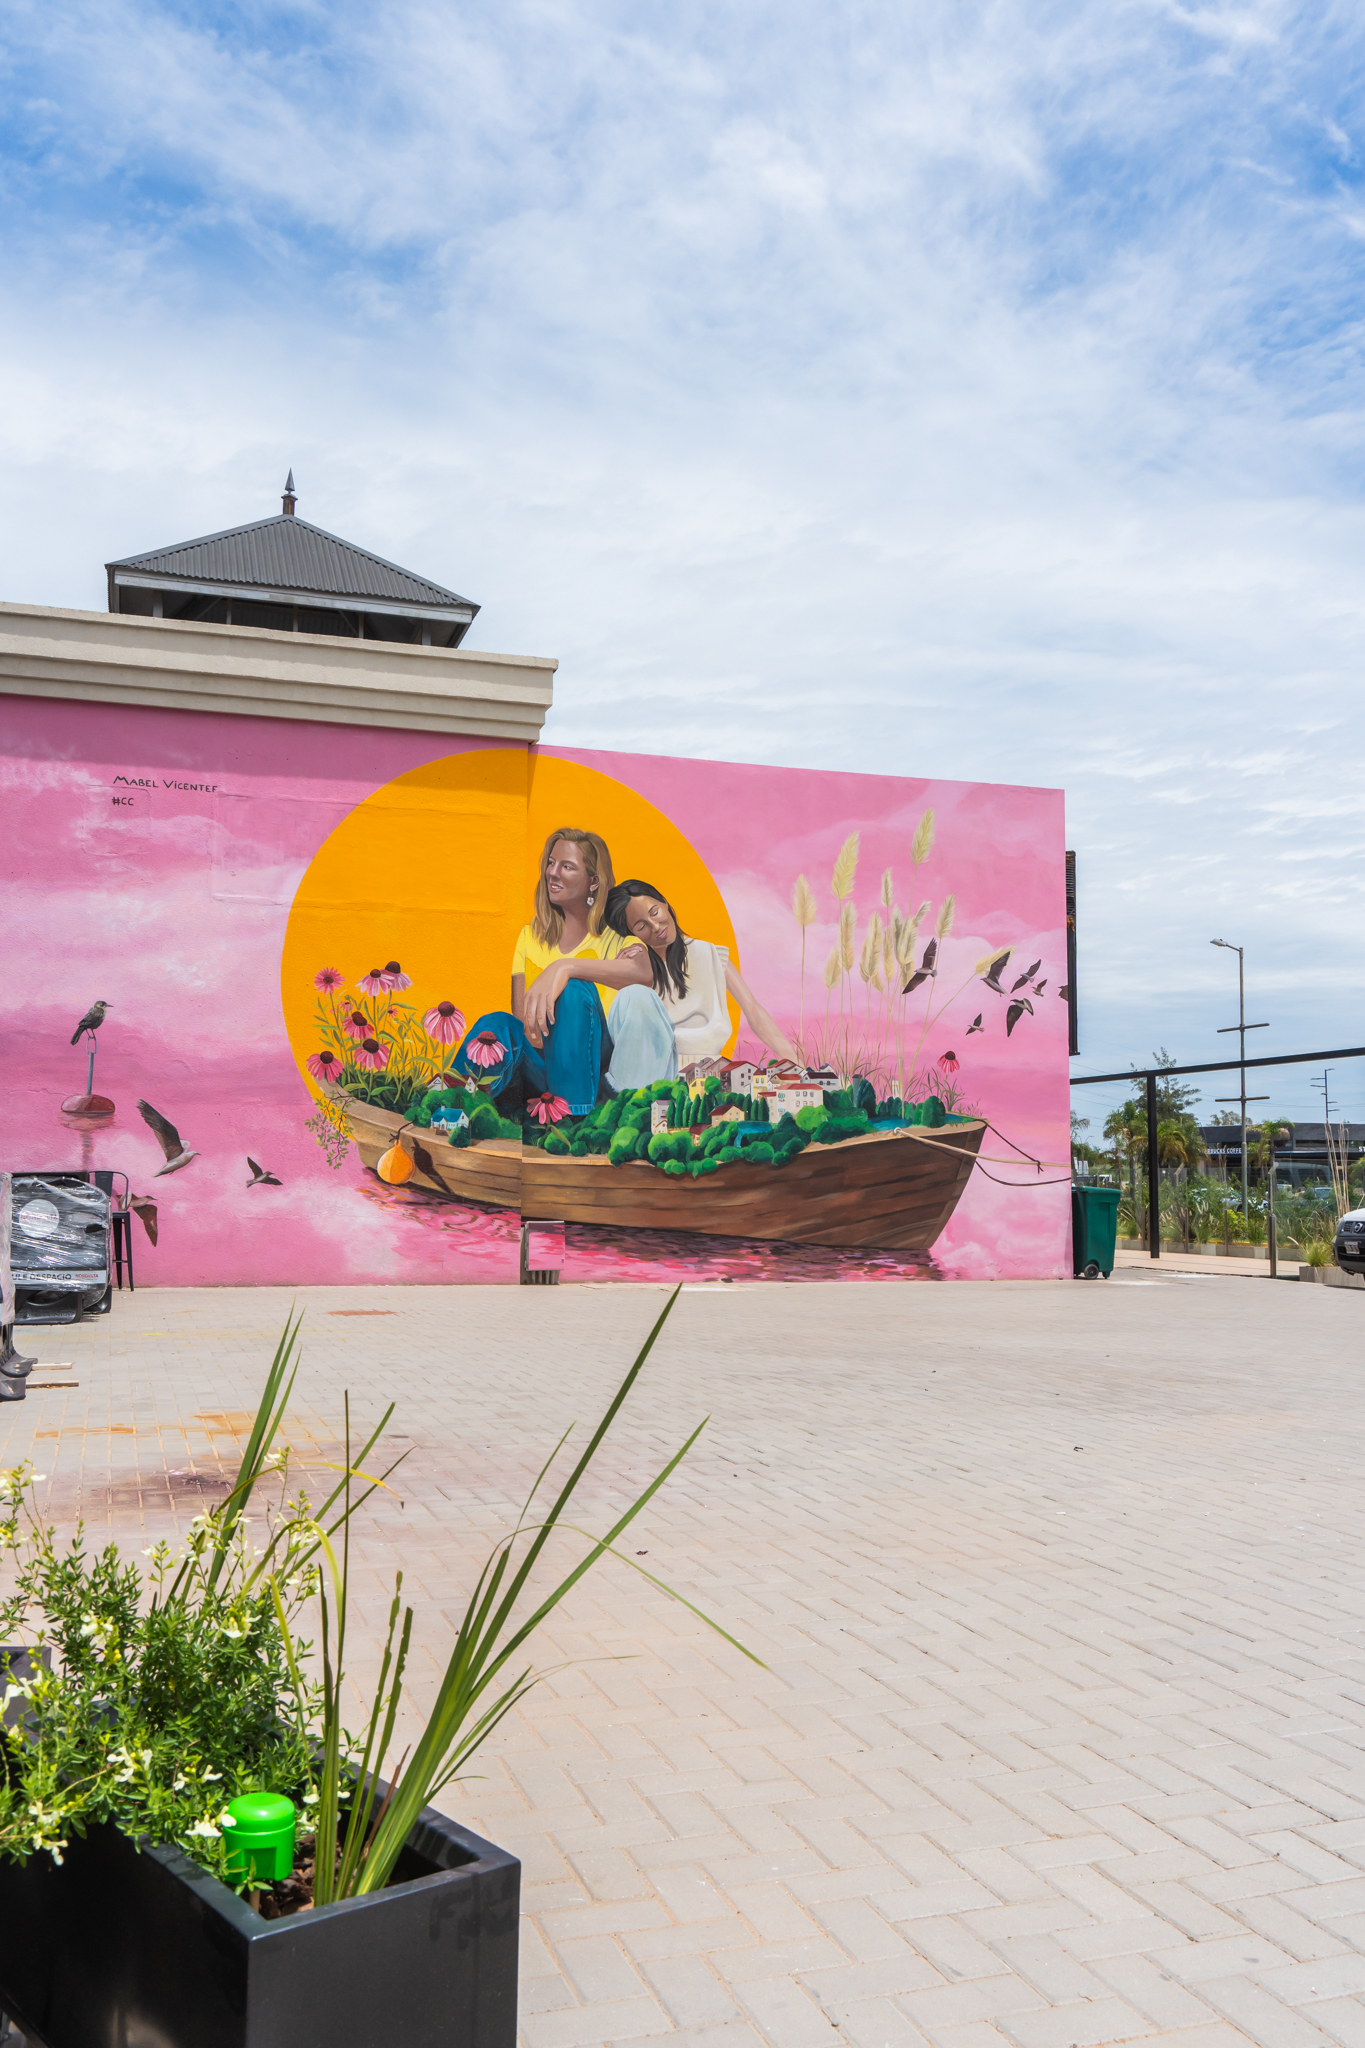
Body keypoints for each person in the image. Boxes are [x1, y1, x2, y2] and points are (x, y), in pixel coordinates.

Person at [452, 828, 652, 1117]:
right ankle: (450, 1104)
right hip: (540, 1071)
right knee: (495, 1023)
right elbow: (525, 1025)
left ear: (594, 881)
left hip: (593, 1076)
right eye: (551, 863)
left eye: (567, 866)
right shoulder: (529, 937)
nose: (553, 873)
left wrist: (564, 968)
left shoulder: (617, 938)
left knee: (573, 991)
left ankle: (573, 1120)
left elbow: (644, 974)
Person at [601, 879, 797, 1086]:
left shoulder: (711, 955)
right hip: (656, 1078)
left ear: (665, 903)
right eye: (641, 926)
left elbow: (753, 1010)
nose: (655, 926)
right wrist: (622, 972)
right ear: (632, 933)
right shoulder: (639, 971)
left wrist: (795, 1064)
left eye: (654, 912)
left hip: (711, 1077)